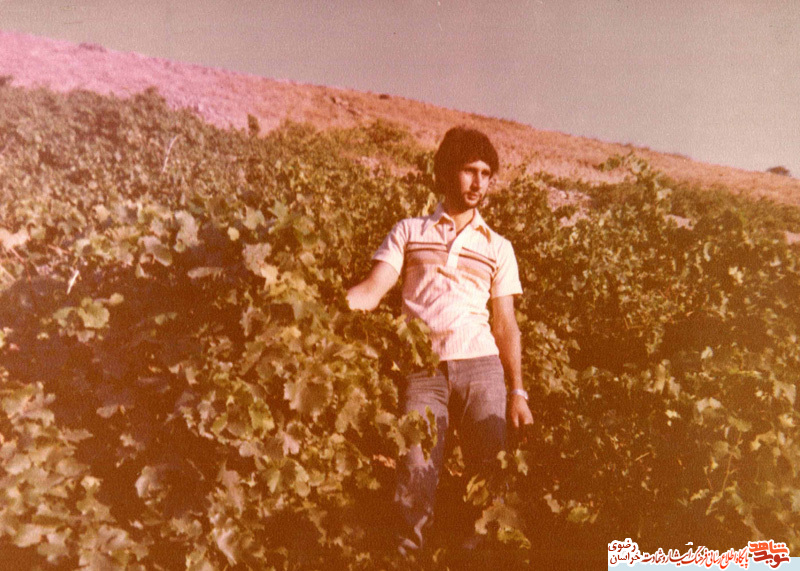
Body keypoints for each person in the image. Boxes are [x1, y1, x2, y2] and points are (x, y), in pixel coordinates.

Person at [346, 126, 533, 554]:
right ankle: (405, 559)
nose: (479, 182)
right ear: (447, 172)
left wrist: (518, 391)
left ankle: (483, 561)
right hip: (423, 371)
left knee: (490, 479)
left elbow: (505, 324)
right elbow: (371, 291)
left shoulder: (498, 247)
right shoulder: (410, 231)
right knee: (415, 476)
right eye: (469, 171)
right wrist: (320, 312)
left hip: (482, 368)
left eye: (486, 173)